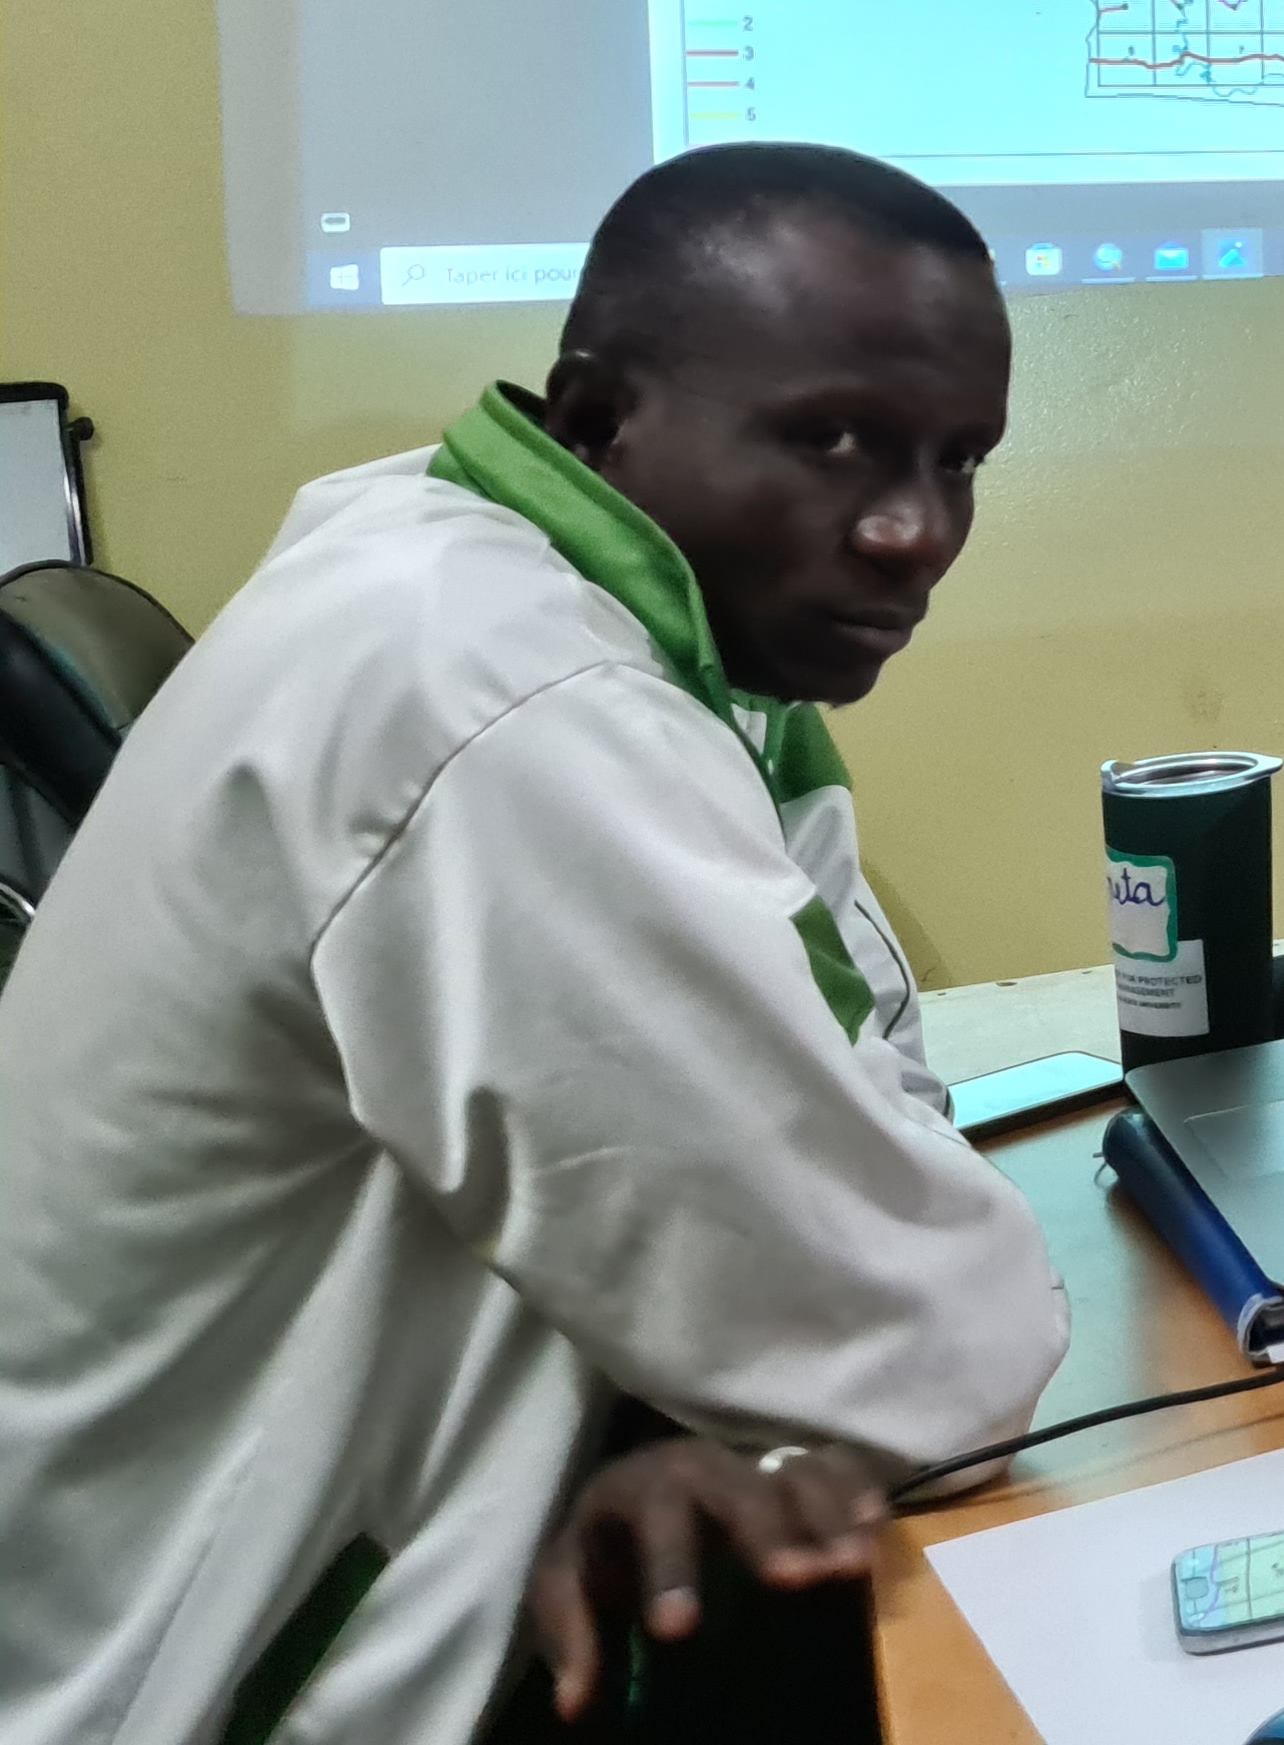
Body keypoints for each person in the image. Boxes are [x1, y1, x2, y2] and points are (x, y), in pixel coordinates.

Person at [0, 145, 1066, 1741]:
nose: (913, 530)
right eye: (831, 438)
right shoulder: (504, 702)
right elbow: (934, 1356)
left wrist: (753, 1404)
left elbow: (874, 1108)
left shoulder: (493, 567)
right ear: (593, 419)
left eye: (960, 459)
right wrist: (784, 1393)